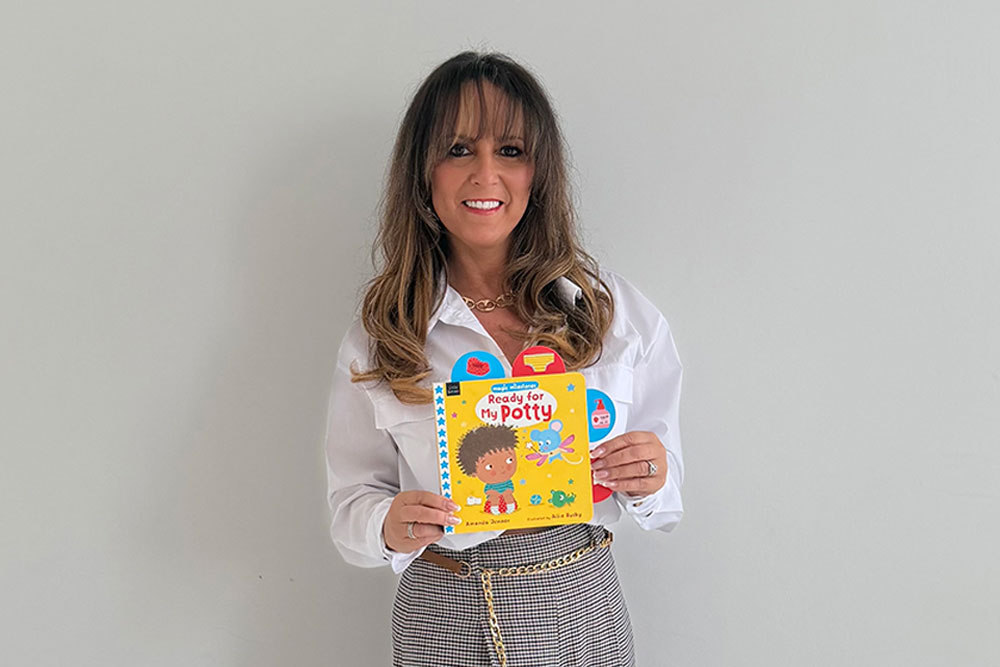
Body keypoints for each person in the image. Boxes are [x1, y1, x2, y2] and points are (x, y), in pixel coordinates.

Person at [325, 51, 685, 667]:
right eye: (458, 149)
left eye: (511, 151)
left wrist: (652, 475)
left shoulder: (615, 314)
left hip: (582, 609)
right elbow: (351, 504)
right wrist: (385, 524)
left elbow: (667, 495)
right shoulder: (385, 332)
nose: (485, 174)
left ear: (538, 173)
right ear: (423, 173)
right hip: (442, 613)